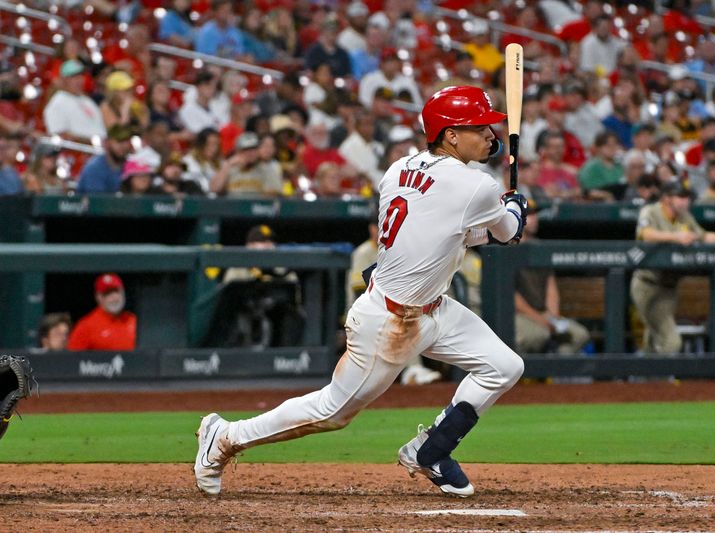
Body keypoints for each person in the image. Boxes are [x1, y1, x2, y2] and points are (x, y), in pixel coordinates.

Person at [194, 85, 527, 498]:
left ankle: (432, 451)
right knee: (332, 411)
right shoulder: (475, 185)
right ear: (451, 135)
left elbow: (450, 231)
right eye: (481, 127)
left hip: (433, 309)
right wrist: (514, 207)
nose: (492, 136)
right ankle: (225, 436)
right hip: (389, 320)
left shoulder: (398, 168)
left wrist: (503, 210)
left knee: (503, 366)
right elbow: (506, 233)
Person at [631, 181, 715, 354]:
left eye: (686, 198)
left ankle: (648, 378)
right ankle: (660, 379)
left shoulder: (684, 216)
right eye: (680, 197)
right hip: (648, 284)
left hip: (669, 287)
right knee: (671, 341)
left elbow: (702, 236)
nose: (685, 201)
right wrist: (675, 237)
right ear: (666, 198)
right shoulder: (651, 211)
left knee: (654, 339)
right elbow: (646, 234)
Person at [347, 204, 443, 385]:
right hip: (362, 313)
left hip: (391, 309)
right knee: (400, 317)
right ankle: (412, 370)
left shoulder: (398, 250)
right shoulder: (364, 252)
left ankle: (417, 369)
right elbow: (361, 293)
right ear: (372, 228)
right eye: (380, 226)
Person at [515, 204, 590, 354]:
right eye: (529, 214)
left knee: (579, 335)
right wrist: (541, 320)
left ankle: (551, 374)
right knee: (537, 335)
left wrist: (552, 316)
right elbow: (512, 299)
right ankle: (522, 376)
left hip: (542, 313)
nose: (534, 218)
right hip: (516, 315)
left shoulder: (540, 248)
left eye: (535, 214)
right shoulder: (506, 248)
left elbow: (551, 287)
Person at [67, 273, 137, 351]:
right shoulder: (86, 326)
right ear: (98, 297)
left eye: (116, 292)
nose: (113, 298)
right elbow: (72, 359)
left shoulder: (133, 320)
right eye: (107, 293)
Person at [43, 60, 106, 142]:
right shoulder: (57, 103)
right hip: (81, 151)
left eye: (81, 76)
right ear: (64, 79)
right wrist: (89, 141)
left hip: (102, 148)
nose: (79, 80)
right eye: (74, 77)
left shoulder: (86, 100)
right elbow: (60, 136)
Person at [75, 124, 134, 194]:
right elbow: (97, 201)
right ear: (107, 142)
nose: (124, 146)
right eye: (119, 141)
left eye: (127, 141)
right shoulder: (95, 168)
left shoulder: (130, 166)